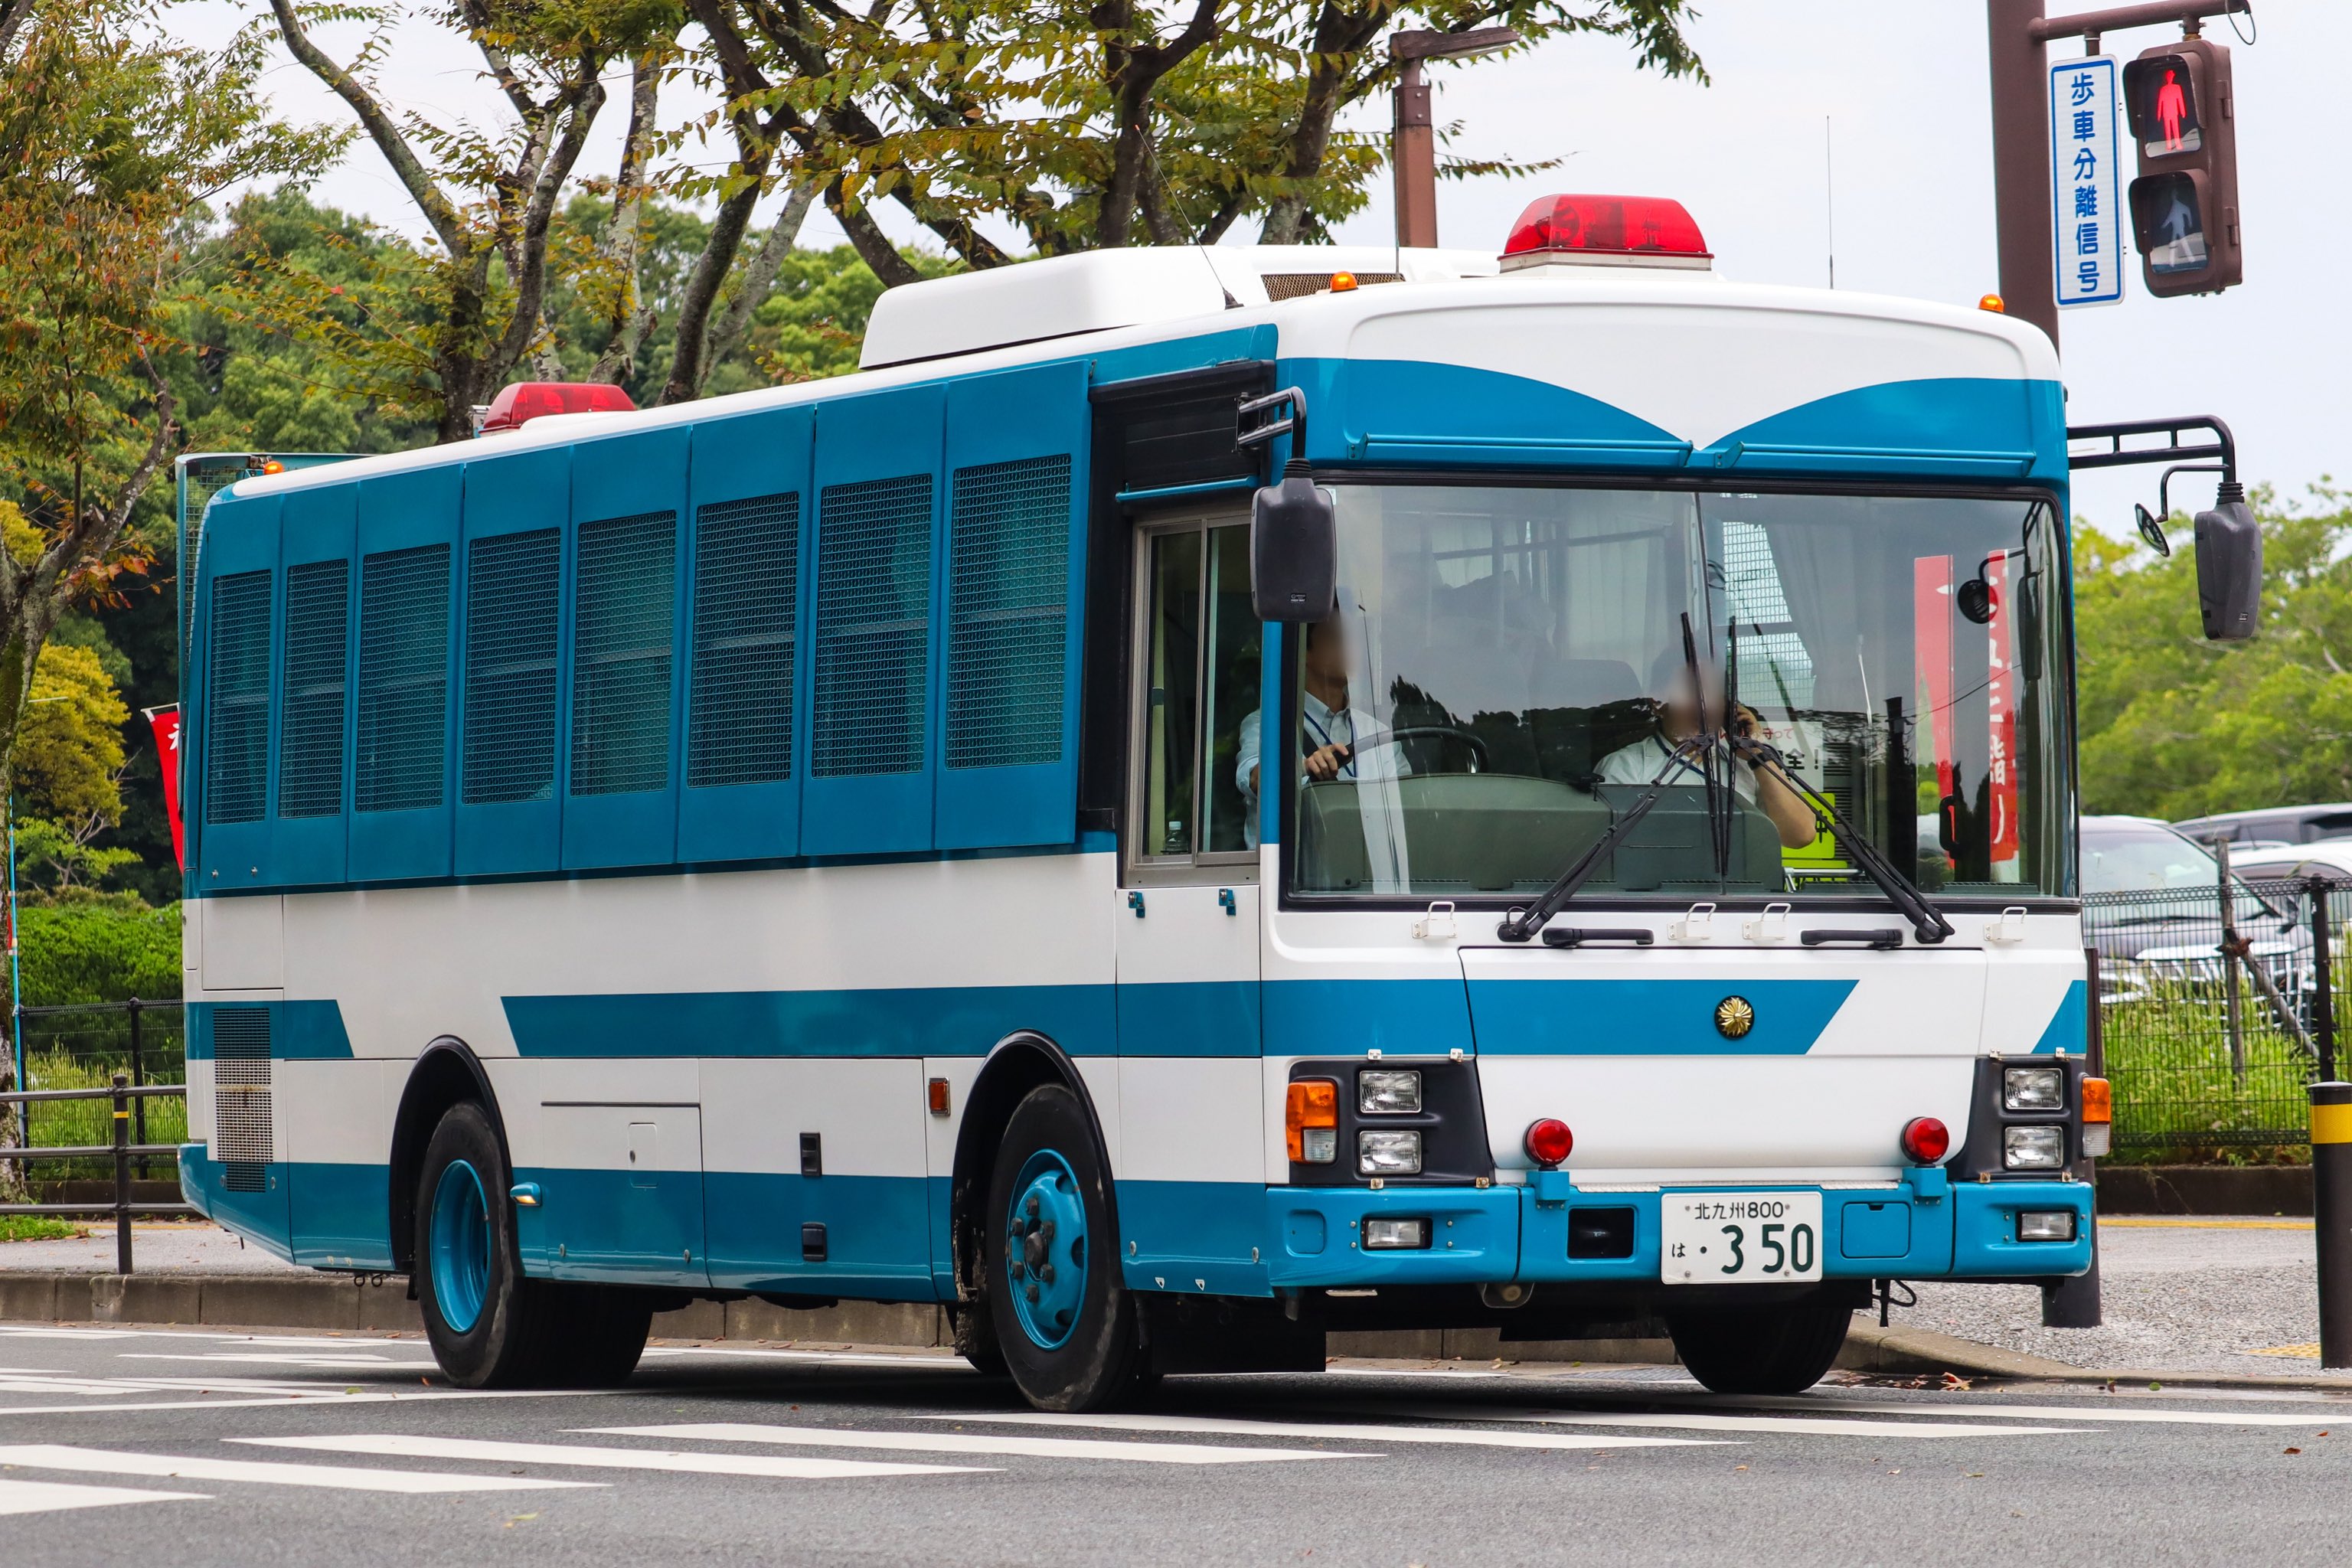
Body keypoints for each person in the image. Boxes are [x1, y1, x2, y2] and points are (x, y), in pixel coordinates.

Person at [1596, 649, 1818, 851]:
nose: (1703, 705)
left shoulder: (1747, 765)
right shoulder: (1627, 766)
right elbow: (1616, 850)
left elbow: (1800, 836)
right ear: (1657, 702)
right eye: (1690, 691)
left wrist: (1758, 753)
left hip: (1746, 891)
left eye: (1713, 692)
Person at [1235, 616, 1406, 848]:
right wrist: (1304, 766)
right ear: (1304, 653)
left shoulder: (1377, 732)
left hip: (1370, 869)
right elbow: (1256, 779)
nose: (1351, 648)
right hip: (1293, 873)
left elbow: (1407, 802)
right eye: (1336, 637)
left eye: (1354, 639)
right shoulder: (1268, 723)